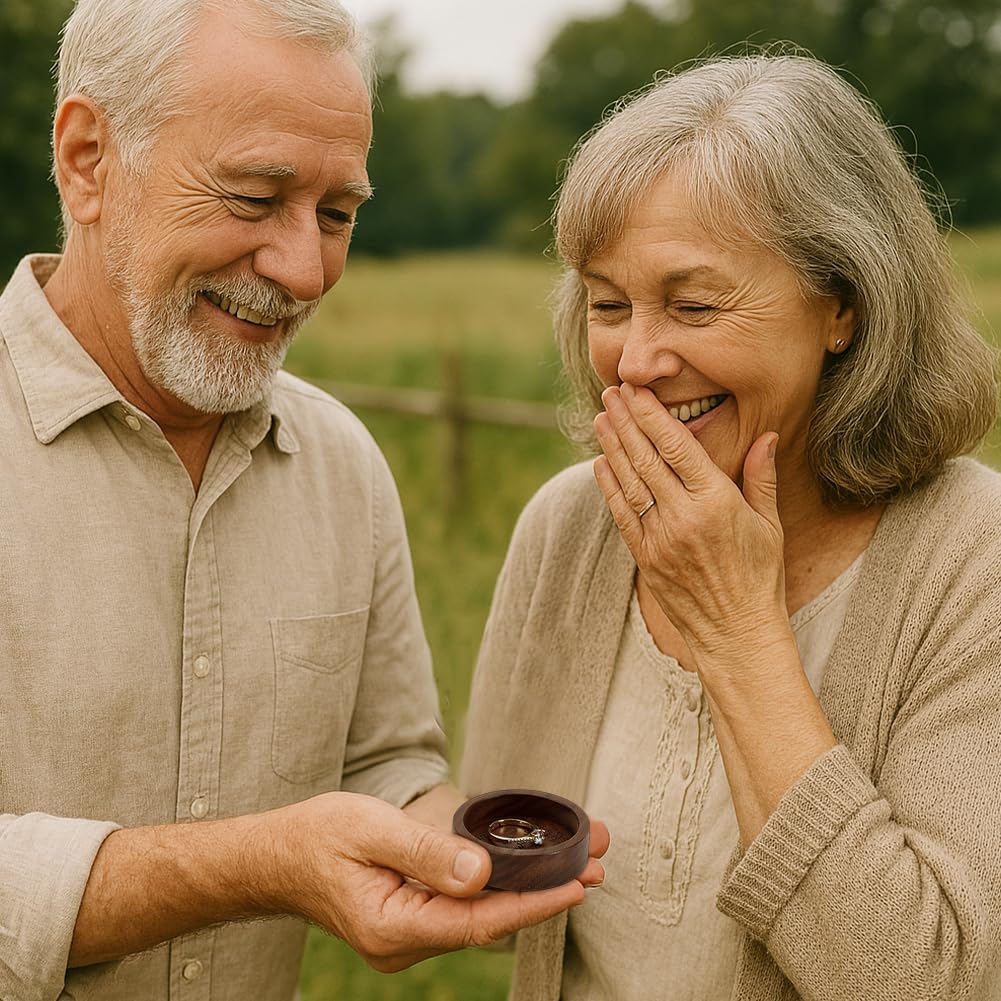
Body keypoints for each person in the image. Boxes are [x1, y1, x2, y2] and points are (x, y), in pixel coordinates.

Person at [0, 0, 607, 998]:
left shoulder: (340, 462)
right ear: (86, 159)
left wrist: (472, 854)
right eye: (251, 197)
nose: (303, 267)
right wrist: (259, 860)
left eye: (336, 214)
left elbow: (383, 760)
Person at [460, 52, 1001, 1001]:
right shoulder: (566, 530)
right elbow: (502, 868)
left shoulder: (972, 555)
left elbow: (928, 979)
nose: (633, 361)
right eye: (608, 304)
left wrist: (737, 626)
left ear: (842, 306)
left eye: (694, 304)